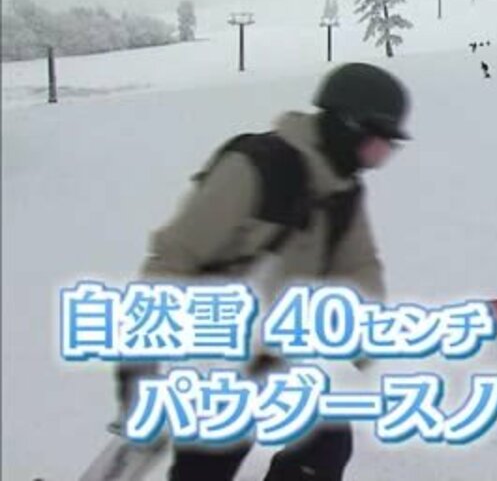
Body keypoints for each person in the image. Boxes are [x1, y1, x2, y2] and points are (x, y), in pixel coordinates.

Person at [116, 62, 408, 481]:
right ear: (347, 126)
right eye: (376, 147)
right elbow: (175, 254)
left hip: (272, 349)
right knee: (213, 457)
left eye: (386, 152)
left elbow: (358, 264)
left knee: (325, 441)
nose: (376, 162)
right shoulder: (256, 168)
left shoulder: (343, 190)